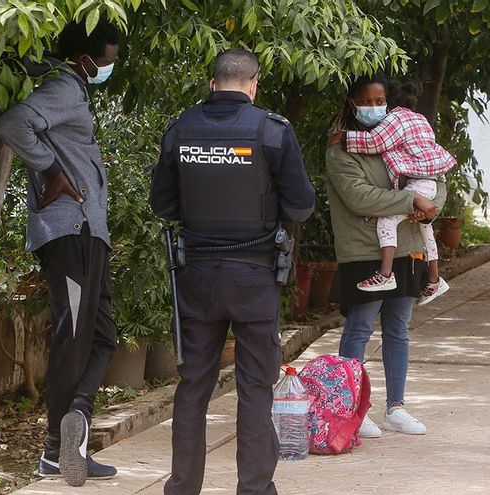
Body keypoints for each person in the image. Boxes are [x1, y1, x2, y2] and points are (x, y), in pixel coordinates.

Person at [150, 48, 315, 494]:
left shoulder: (181, 129)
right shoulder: (272, 131)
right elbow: (301, 206)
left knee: (193, 386)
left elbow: (162, 204)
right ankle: (255, 489)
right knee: (255, 387)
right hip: (254, 278)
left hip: (197, 278)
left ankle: (182, 488)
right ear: (253, 84)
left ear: (212, 83)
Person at [0, 20, 120, 487]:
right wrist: (51, 172)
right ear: (84, 59)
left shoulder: (73, 90)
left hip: (88, 235)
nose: (107, 68)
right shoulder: (64, 87)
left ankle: (77, 419)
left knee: (103, 337)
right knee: (72, 339)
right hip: (70, 233)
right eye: (104, 61)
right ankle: (54, 451)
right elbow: (13, 124)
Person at [326, 74, 445, 438]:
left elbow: (435, 176)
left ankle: (396, 407)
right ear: (351, 103)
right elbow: (360, 197)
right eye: (366, 101)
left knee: (398, 330)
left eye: (380, 102)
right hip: (363, 249)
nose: (374, 108)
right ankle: (351, 408)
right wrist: (411, 199)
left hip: (407, 246)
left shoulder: (399, 136)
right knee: (360, 328)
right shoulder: (341, 149)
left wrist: (431, 207)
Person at [345, 81, 455, 305]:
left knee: (386, 221)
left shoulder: (395, 118)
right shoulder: (420, 119)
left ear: (389, 104)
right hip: (431, 182)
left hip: (418, 184)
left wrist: (345, 139)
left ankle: (385, 274)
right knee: (426, 230)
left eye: (380, 102)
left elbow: (375, 142)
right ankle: (435, 279)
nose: (376, 108)